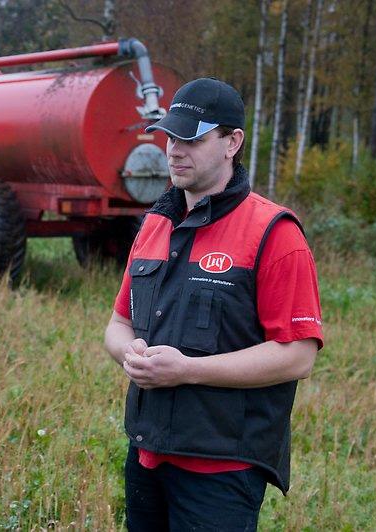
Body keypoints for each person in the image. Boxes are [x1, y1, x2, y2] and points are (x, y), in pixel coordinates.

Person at [104, 78, 323, 531]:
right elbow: (118, 323)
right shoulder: (154, 226)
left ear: (232, 142)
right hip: (147, 455)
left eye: (193, 138)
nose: (174, 150)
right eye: (169, 136)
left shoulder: (274, 234)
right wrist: (131, 355)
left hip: (222, 470)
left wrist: (188, 370)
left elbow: (298, 355)